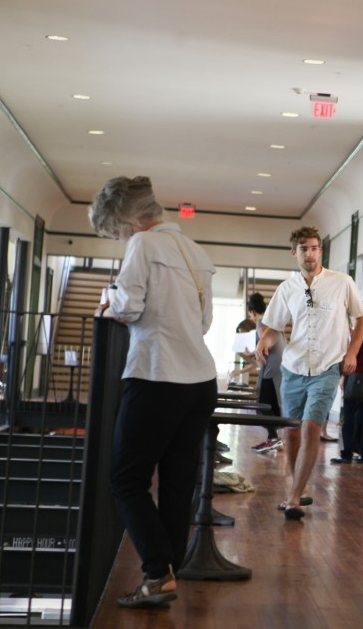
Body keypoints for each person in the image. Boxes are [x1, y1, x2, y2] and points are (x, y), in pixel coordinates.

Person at [89, 175, 217, 608]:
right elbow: (204, 323)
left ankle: (157, 569)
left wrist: (109, 295)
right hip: (200, 380)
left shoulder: (143, 245)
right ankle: (165, 572)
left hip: (156, 375)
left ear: (127, 221)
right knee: (178, 484)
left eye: (115, 231)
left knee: (125, 479)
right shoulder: (196, 250)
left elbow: (128, 307)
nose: (118, 238)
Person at [254, 226, 363, 520]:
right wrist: (263, 344)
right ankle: (296, 487)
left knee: (311, 427)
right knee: (290, 432)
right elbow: (274, 328)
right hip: (293, 367)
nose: (310, 253)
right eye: (304, 249)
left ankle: (293, 497)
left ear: (321, 251)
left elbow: (362, 318)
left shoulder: (342, 282)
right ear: (295, 253)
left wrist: (352, 352)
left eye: (315, 248)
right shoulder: (286, 289)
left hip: (328, 367)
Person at [331, 301, 363, 464]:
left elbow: (349, 355)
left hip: (355, 379)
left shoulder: (360, 332)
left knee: (349, 418)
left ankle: (347, 453)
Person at [246, 293, 286, 453]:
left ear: (253, 312)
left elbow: (266, 345)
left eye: (250, 314)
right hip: (279, 366)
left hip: (272, 368)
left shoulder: (261, 323)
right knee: (270, 402)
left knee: (264, 402)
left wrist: (254, 351)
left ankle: (274, 437)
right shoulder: (272, 322)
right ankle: (273, 437)